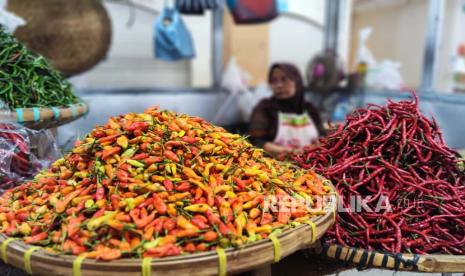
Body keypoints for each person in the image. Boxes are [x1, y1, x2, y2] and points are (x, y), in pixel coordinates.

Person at [248, 63, 325, 156]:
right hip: (274, 166)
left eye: (284, 79)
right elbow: (256, 141)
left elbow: (322, 135)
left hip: (310, 163)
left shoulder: (309, 108)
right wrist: (290, 152)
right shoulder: (265, 108)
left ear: (297, 81)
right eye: (274, 80)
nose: (279, 85)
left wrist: (318, 144)